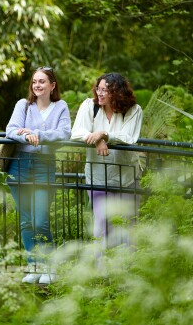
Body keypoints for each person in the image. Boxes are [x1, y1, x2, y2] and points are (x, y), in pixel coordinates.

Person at [6, 66, 71, 284]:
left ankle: (50, 267)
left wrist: (37, 135)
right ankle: (34, 266)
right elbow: (11, 130)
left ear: (52, 86)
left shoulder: (60, 106)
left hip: (44, 165)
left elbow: (64, 133)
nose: (37, 85)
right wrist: (24, 137)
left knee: (40, 219)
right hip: (19, 166)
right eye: (34, 81)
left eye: (42, 81)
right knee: (26, 221)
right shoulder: (23, 105)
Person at [70, 72, 143, 254]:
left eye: (106, 90)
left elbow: (129, 137)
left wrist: (104, 134)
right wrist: (95, 138)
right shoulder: (90, 106)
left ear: (117, 93)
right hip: (98, 177)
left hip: (127, 177)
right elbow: (77, 132)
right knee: (101, 225)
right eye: (99, 89)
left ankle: (127, 272)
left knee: (128, 225)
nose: (100, 93)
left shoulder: (133, 110)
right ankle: (102, 273)